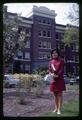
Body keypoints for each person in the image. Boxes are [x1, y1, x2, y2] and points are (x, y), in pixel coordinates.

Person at [48, 48, 66, 114]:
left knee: (60, 94)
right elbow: (49, 70)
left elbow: (61, 70)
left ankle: (59, 109)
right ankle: (55, 108)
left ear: (58, 54)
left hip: (59, 79)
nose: (54, 54)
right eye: (53, 53)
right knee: (55, 95)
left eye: (55, 53)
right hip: (53, 80)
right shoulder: (50, 62)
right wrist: (51, 74)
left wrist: (57, 75)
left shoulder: (61, 61)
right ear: (51, 54)